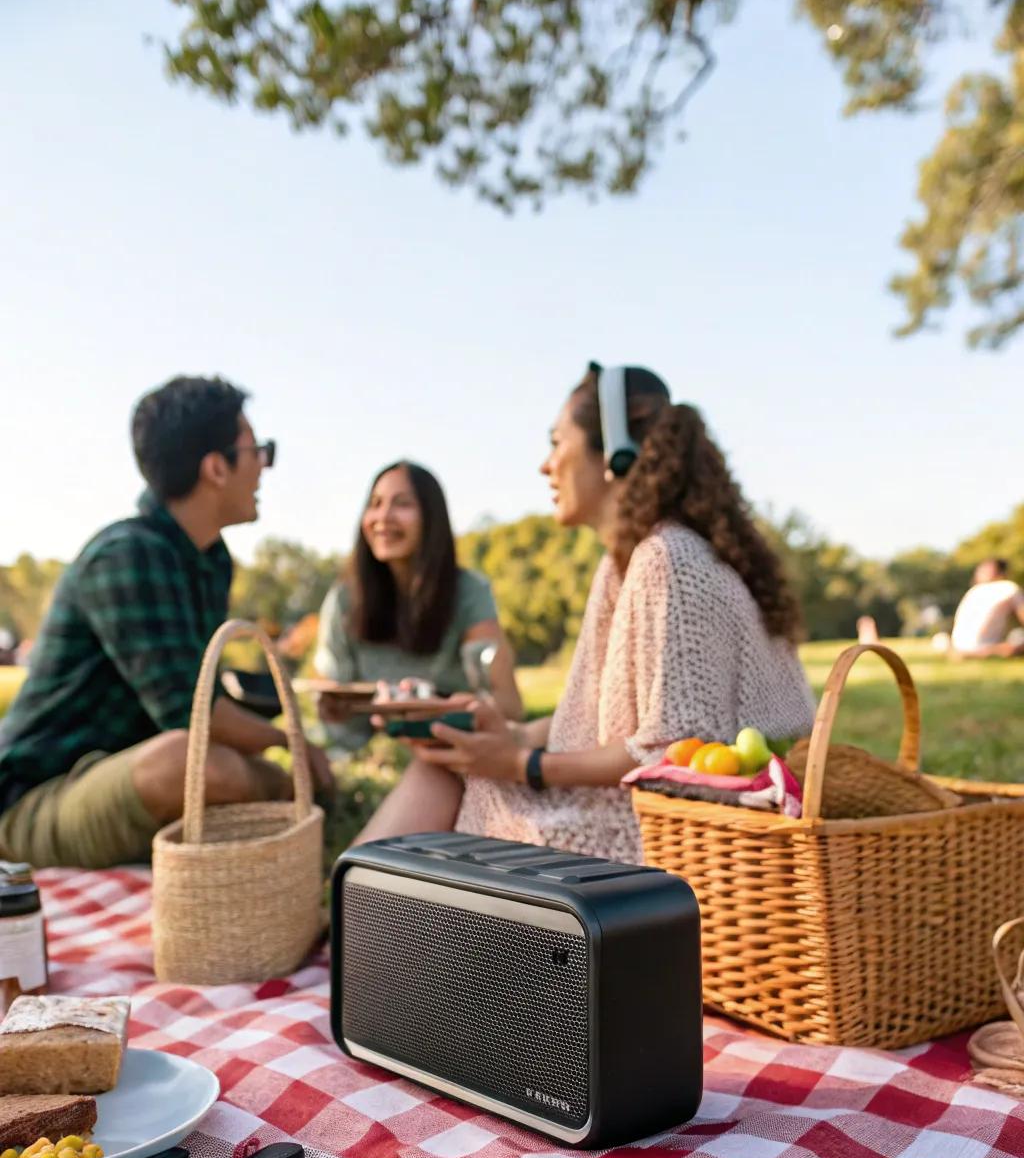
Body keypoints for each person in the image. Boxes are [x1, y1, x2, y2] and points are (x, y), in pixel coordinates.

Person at [355, 363, 816, 863]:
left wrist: (521, 762)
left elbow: (671, 756)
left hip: (657, 841)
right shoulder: (636, 559)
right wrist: (504, 734)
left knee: (455, 780)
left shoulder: (668, 559)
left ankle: (351, 923)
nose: (546, 465)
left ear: (614, 454)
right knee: (445, 763)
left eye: (557, 443)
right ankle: (352, 919)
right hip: (645, 817)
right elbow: (611, 723)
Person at [0, 375, 332, 870]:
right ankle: (309, 805)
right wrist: (294, 746)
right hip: (37, 797)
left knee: (211, 765)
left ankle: (302, 807)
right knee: (192, 761)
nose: (264, 466)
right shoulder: (128, 556)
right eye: (258, 450)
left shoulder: (209, 560)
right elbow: (193, 715)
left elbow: (201, 691)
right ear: (216, 468)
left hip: (118, 775)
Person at [314, 460, 521, 751]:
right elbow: (334, 703)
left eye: (402, 504)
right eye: (375, 503)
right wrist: (336, 712)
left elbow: (509, 706)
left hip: (445, 748)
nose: (383, 516)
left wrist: (438, 711)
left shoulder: (469, 592)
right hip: (368, 755)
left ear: (431, 518)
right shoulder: (344, 600)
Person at [950, 558, 1024, 658]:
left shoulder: (974, 590)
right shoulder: (1009, 587)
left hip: (957, 646)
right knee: (1018, 637)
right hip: (983, 647)